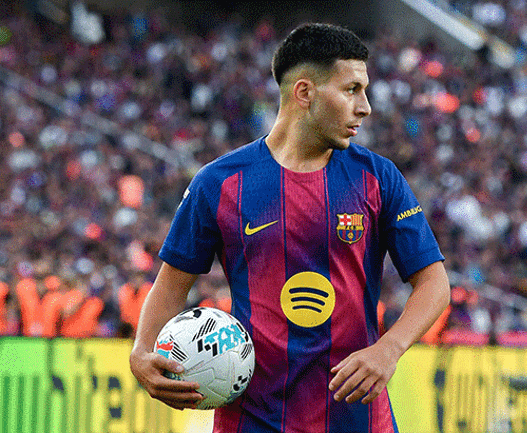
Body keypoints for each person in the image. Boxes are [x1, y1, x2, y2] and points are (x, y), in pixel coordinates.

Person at [129, 23, 450, 433]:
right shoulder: (219, 183)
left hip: (355, 419)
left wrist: (389, 349)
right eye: (351, 89)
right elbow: (171, 286)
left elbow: (434, 284)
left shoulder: (378, 178)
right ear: (304, 93)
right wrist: (141, 353)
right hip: (253, 418)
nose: (365, 107)